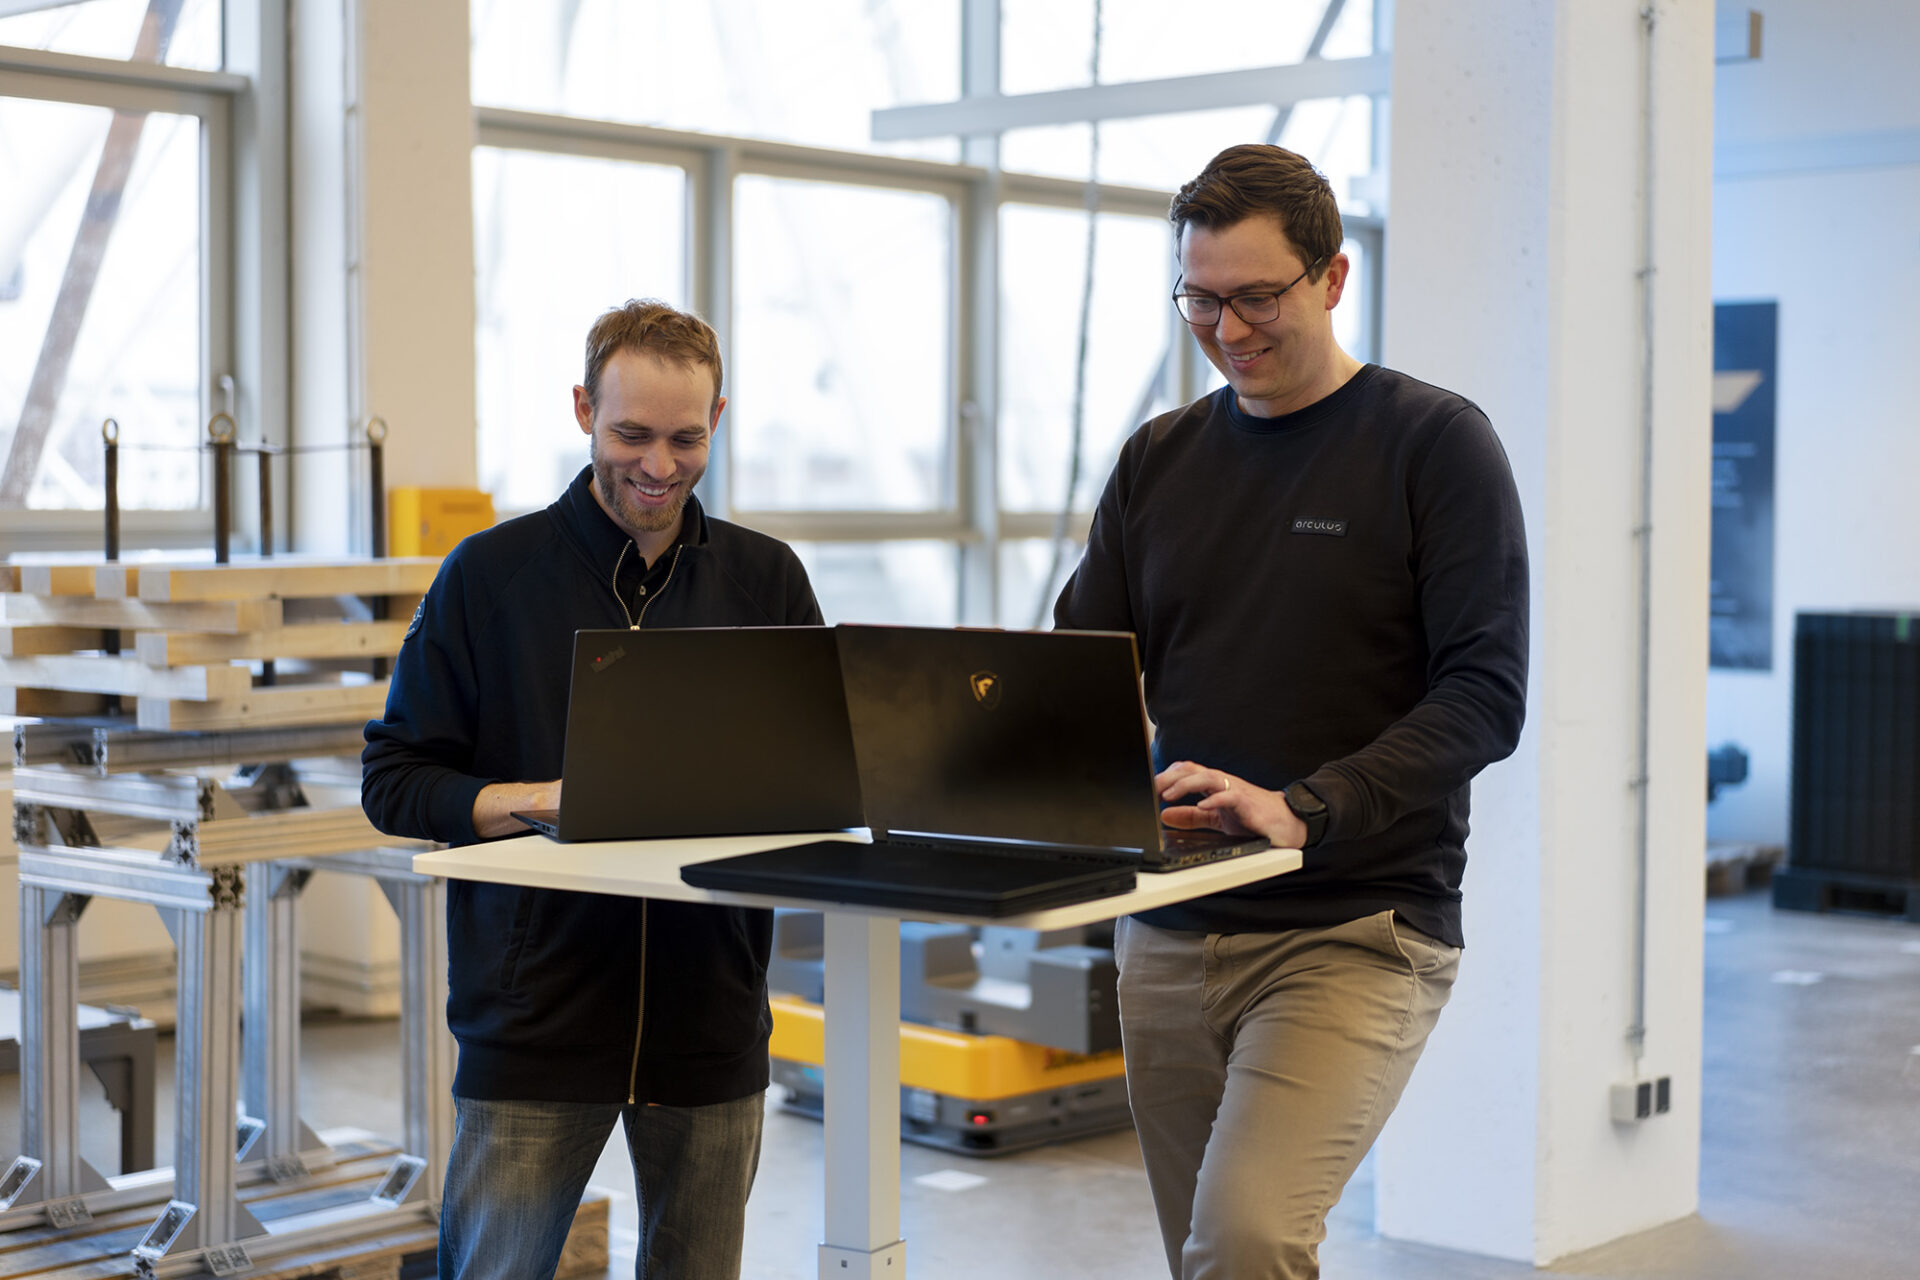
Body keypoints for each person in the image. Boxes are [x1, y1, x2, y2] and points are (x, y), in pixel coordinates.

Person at [1053, 144, 1530, 1280]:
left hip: (1355, 928)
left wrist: (1303, 805)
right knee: (1205, 1262)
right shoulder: (1161, 458)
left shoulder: (1432, 444)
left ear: (1332, 277)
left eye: (1257, 295)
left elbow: (1486, 693)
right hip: (1169, 921)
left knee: (1248, 1238)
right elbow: (1082, 664)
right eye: (1201, 299)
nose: (1228, 329)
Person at [362, 299, 823, 1280]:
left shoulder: (767, 581)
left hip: (713, 1021)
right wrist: (536, 798)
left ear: (719, 418)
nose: (660, 464)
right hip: (537, 1021)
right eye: (633, 434)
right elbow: (397, 779)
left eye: (686, 437)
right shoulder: (488, 577)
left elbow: (818, 777)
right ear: (582, 408)